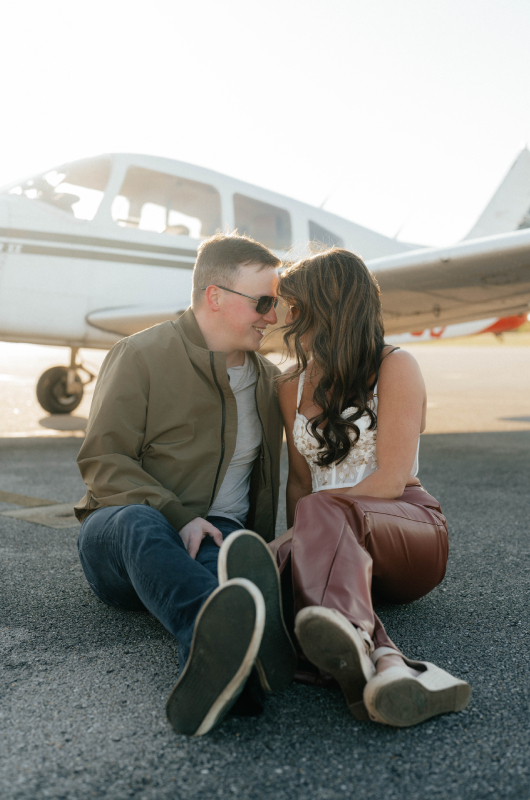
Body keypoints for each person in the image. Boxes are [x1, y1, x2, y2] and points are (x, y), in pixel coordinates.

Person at [74, 233, 296, 737]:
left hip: (215, 539)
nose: (272, 316)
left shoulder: (268, 381)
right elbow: (103, 459)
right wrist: (178, 516)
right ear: (215, 295)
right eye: (263, 302)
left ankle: (233, 678)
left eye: (276, 303)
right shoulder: (140, 355)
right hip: (125, 533)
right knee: (140, 521)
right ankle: (220, 634)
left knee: (225, 561)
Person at [272, 248, 471, 728]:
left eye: (293, 304)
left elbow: (390, 478)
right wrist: (296, 548)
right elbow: (299, 482)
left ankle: (358, 644)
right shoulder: (289, 385)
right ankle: (387, 666)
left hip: (407, 530)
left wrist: (293, 540)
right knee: (289, 544)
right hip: (337, 555)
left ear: (325, 306)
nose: (284, 316)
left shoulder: (395, 366)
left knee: (310, 519)